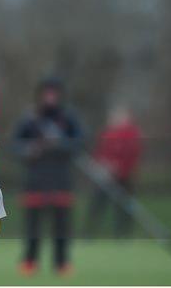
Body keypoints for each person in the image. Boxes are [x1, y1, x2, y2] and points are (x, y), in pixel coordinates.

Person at [14, 78, 81, 276]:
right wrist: (30, 150)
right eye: (47, 93)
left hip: (61, 179)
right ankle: (29, 262)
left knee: (61, 226)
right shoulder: (29, 119)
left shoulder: (68, 118)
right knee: (33, 226)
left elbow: (79, 143)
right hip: (35, 180)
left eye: (54, 93)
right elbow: (16, 146)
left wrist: (60, 144)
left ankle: (62, 263)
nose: (50, 97)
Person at [83, 106, 142, 239]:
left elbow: (132, 155)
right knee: (97, 205)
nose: (115, 118)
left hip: (124, 177)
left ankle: (123, 235)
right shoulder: (107, 133)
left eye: (119, 115)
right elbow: (99, 152)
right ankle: (88, 234)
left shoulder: (132, 133)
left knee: (123, 208)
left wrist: (118, 167)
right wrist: (98, 165)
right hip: (105, 177)